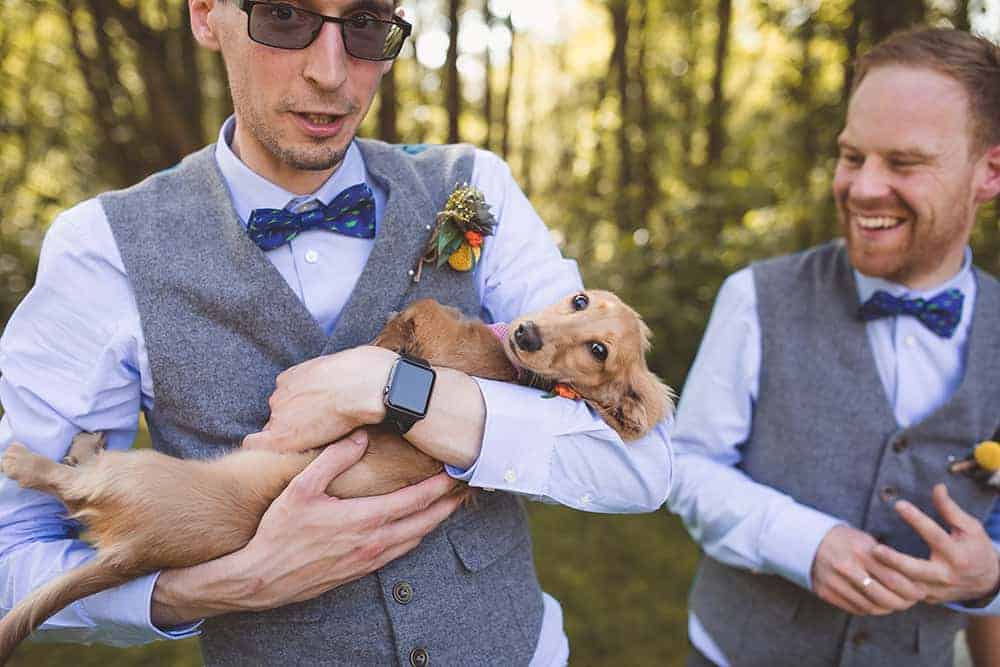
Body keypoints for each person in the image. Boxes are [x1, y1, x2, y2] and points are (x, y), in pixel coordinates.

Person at [0, 1, 672, 665]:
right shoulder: (102, 249)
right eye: (284, 17)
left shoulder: (475, 185)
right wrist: (213, 588)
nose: (330, 72)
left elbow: (640, 466)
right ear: (205, 14)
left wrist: (396, 388)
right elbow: (13, 548)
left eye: (364, 25)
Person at [668, 28, 1000, 667]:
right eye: (853, 156)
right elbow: (686, 465)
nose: (864, 188)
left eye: (904, 162)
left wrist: (989, 578)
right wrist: (801, 542)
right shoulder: (755, 297)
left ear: (989, 172)